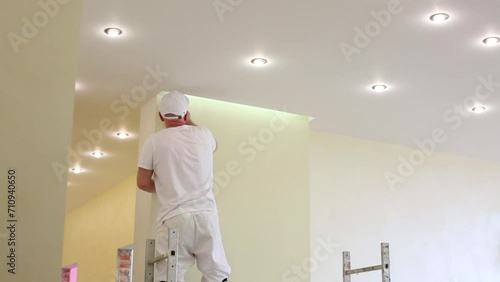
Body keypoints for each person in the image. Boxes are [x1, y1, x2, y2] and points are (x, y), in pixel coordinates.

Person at [137, 91, 231, 282]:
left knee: (170, 273)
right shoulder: (204, 134)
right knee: (216, 272)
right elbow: (215, 146)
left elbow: (143, 182)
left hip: (174, 217)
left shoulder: (154, 141)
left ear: (160, 116)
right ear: (187, 115)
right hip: (206, 215)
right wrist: (188, 122)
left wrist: (166, 186)